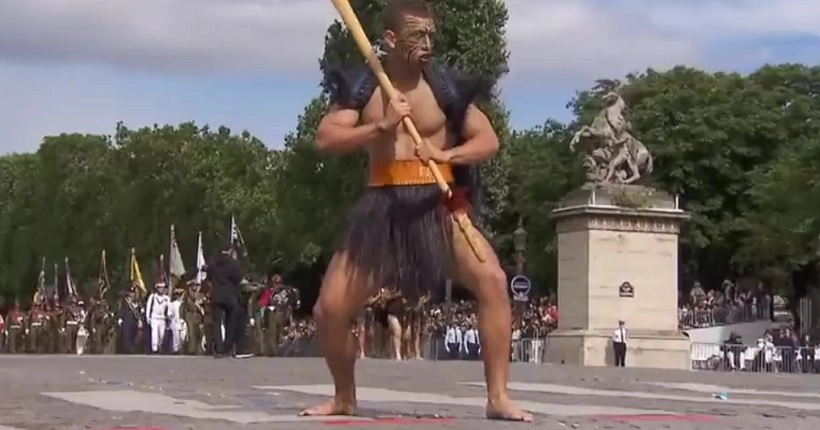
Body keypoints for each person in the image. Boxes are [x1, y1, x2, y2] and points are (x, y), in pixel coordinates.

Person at [301, 0, 530, 421]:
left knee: (494, 281)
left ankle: (497, 396)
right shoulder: (366, 86)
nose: (427, 44)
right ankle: (344, 397)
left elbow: (488, 141)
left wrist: (445, 150)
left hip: (438, 202)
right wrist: (379, 128)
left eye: (430, 35)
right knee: (329, 309)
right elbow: (326, 138)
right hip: (382, 204)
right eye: (417, 37)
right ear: (390, 39)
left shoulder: (442, 86)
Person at [206, 241, 244, 358]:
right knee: (230, 322)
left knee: (217, 322)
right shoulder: (233, 264)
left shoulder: (213, 264)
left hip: (216, 295)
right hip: (230, 296)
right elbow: (238, 279)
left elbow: (209, 278)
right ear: (230, 250)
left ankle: (219, 348)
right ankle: (227, 347)